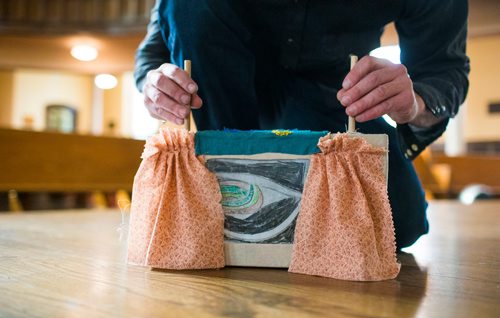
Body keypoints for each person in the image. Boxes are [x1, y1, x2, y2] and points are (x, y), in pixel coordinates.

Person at [133, 0, 470, 249]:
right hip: (223, 93)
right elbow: (154, 53)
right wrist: (156, 84)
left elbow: (443, 72)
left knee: (398, 220)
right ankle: (223, 182)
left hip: (338, 97)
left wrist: (412, 103)